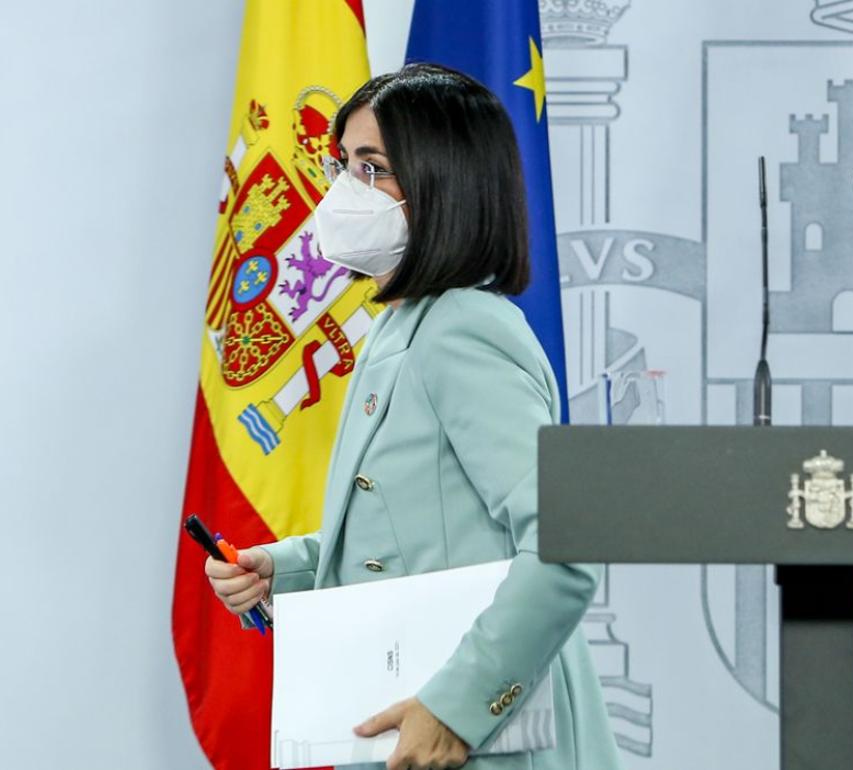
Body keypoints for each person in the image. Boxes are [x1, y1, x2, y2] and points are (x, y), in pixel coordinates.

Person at [205, 63, 625, 770]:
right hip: (415, 723)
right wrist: (283, 571)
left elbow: (566, 537)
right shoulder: (403, 325)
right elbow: (414, 531)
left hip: (481, 737)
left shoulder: (463, 328)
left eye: (371, 168)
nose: (344, 190)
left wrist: (460, 707)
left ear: (443, 183)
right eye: (344, 165)